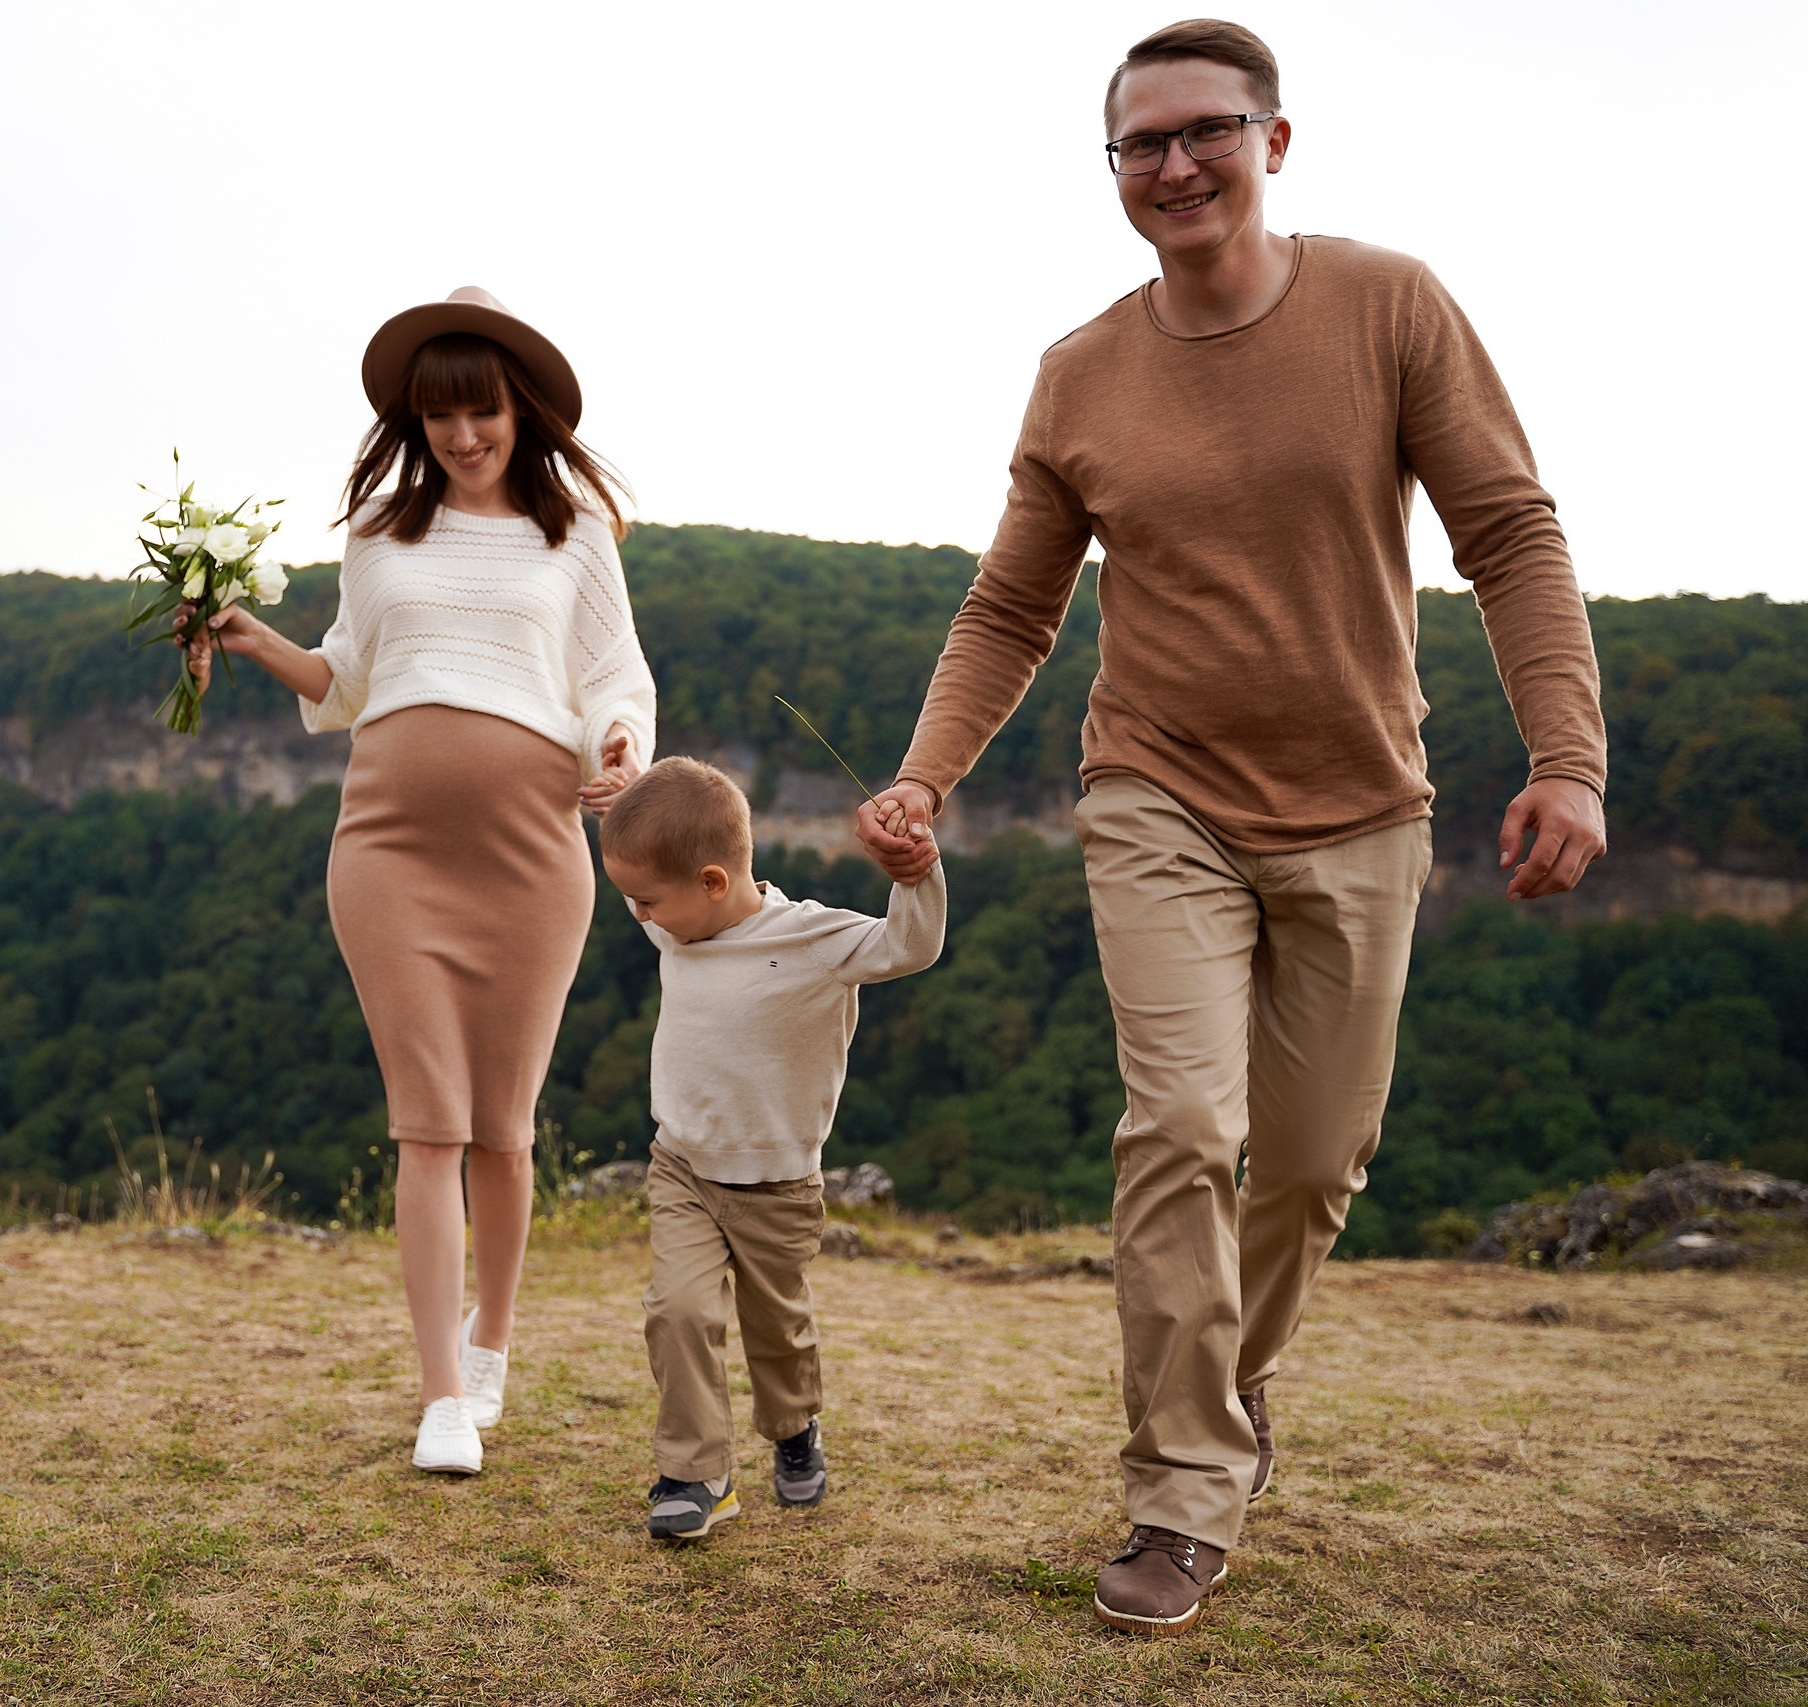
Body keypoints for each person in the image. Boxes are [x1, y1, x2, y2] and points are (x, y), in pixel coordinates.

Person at [854, 20, 1608, 1635]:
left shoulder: (1389, 306)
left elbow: (1509, 534)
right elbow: (1011, 606)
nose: (1175, 166)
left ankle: (1234, 1386)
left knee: (1316, 1160)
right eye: (1141, 145)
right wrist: (930, 769)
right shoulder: (1079, 371)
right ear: (1112, 171)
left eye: (1206, 133)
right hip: (1156, 787)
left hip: (1360, 799)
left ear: (1278, 142)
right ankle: (1181, 1485)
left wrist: (1570, 756)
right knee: (1184, 1127)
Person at [182, 286, 655, 1477]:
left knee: (503, 1127)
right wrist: (249, 638)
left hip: (532, 854)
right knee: (428, 1125)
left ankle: (490, 1341)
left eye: (480, 410)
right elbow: (344, 680)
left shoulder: (574, 532)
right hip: (387, 846)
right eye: (437, 415)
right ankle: (441, 1398)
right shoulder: (381, 530)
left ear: (518, 410)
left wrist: (617, 751)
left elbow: (615, 676)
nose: (460, 435)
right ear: (413, 419)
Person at [599, 758, 946, 1540]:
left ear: (713, 882)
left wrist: (916, 871)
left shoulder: (814, 938)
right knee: (678, 1311)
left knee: (776, 1330)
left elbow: (909, 945)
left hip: (777, 1185)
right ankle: (696, 1473)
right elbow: (647, 858)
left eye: (647, 898)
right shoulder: (675, 917)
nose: (638, 914)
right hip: (682, 1164)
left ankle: (794, 1427)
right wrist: (610, 792)